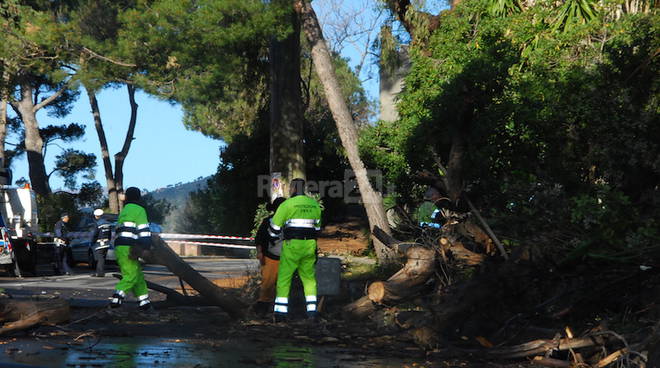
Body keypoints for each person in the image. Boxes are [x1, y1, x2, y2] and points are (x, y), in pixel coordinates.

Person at [269, 179, 322, 322]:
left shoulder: (287, 204)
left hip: (292, 246)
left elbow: (274, 228)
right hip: (309, 245)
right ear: (304, 188)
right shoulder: (314, 204)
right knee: (309, 280)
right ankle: (312, 312)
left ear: (292, 188)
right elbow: (317, 229)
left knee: (284, 279)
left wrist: (274, 237)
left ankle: (280, 314)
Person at [110, 187, 153, 312]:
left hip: (119, 247)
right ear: (138, 198)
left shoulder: (124, 211)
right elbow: (143, 230)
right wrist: (146, 246)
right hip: (131, 247)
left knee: (137, 275)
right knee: (131, 275)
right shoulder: (139, 210)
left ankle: (144, 301)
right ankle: (117, 298)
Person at [253, 197, 286, 317]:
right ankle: (263, 308)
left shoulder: (291, 222)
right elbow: (259, 238)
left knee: (282, 285)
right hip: (270, 257)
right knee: (267, 284)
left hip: (287, 258)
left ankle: (278, 309)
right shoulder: (267, 222)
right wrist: (260, 252)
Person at [91, 208, 112, 277]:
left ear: (96, 216)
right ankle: (99, 272)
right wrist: (109, 240)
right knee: (103, 258)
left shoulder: (97, 224)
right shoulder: (108, 223)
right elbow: (110, 234)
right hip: (106, 243)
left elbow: (95, 234)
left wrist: (92, 242)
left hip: (99, 243)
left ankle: (100, 273)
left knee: (100, 258)